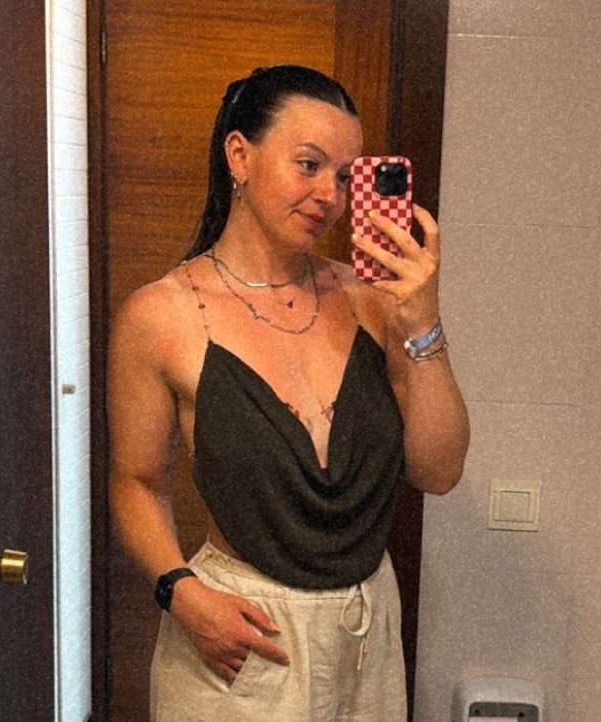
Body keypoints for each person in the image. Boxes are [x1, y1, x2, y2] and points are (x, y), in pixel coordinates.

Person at [108, 65, 470, 721]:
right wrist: (181, 592)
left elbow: (439, 471)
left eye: (345, 175)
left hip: (364, 640)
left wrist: (423, 321)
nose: (329, 194)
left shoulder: (372, 302)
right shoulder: (161, 316)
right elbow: (137, 481)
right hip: (239, 636)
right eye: (308, 164)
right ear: (239, 155)